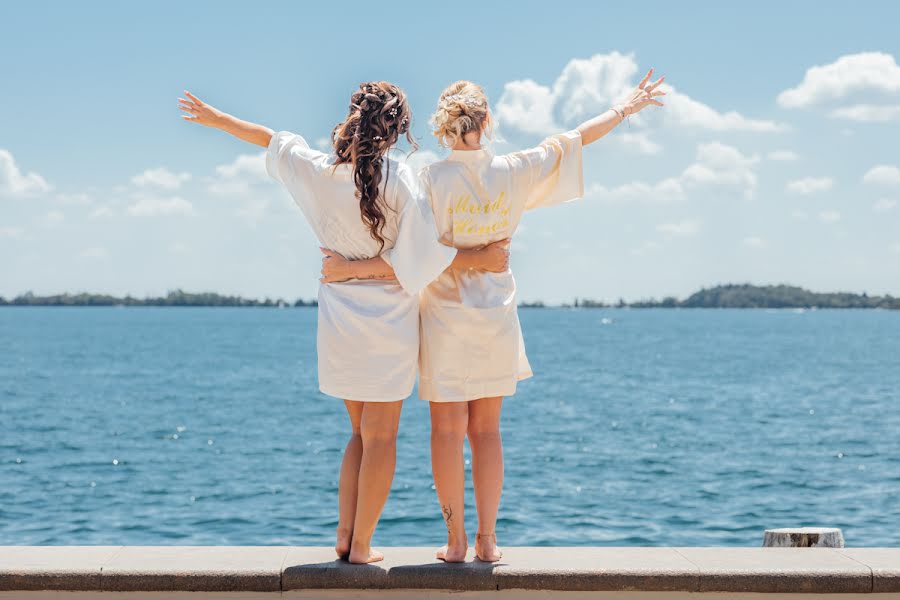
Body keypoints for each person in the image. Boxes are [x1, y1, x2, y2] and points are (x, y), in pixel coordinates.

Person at [320, 70, 666, 562]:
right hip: (496, 316)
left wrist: (349, 263)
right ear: (487, 119)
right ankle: (487, 539)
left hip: (443, 317)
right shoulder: (514, 170)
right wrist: (626, 109)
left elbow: (409, 252)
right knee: (486, 431)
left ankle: (454, 541)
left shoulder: (429, 179)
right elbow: (575, 139)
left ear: (444, 127)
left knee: (446, 432)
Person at [178, 81, 509, 563]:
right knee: (382, 438)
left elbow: (269, 138)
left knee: (357, 435)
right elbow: (423, 261)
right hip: (390, 320)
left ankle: (344, 534)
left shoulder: (318, 171)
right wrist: (482, 256)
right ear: (396, 127)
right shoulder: (401, 180)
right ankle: (362, 546)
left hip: (338, 317)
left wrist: (217, 120)